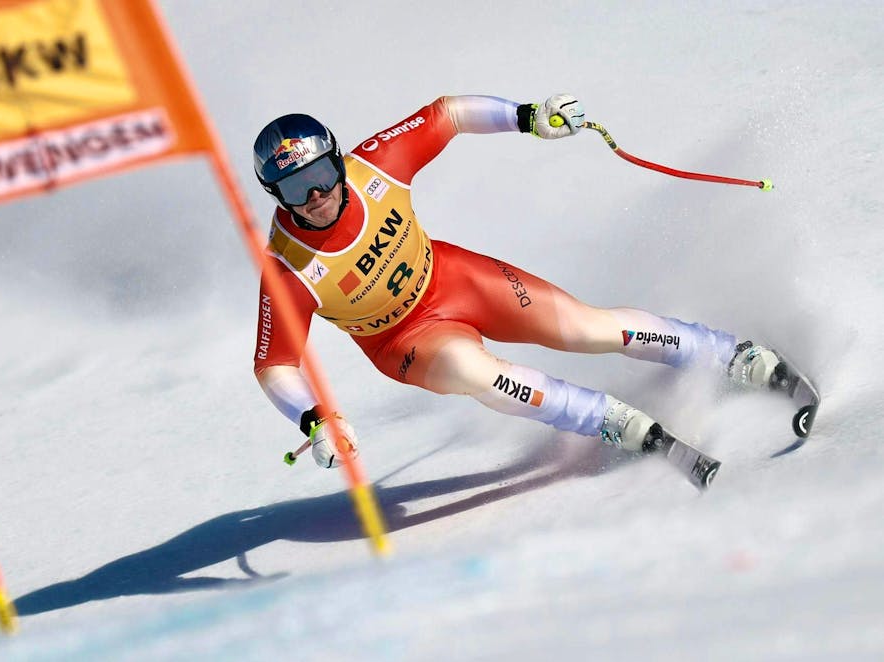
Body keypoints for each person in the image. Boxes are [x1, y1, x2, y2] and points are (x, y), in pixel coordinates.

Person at [251, 94, 780, 468]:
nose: (314, 196)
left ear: (338, 160)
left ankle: (727, 353)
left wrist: (528, 116)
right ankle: (605, 419)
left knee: (586, 329)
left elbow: (448, 114)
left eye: (320, 175)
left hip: (452, 278)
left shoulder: (377, 166)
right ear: (275, 195)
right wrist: (316, 420)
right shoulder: (288, 266)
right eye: (294, 188)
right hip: (404, 340)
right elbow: (274, 365)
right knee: (475, 371)